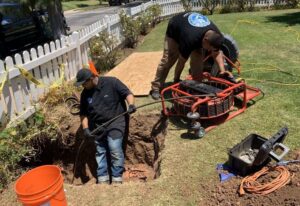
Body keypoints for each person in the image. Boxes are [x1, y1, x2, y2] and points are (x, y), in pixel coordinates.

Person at [150, 12, 233, 100]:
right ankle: (156, 88)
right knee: (169, 58)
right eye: (209, 48)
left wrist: (222, 71)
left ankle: (197, 85)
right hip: (175, 27)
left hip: (192, 31)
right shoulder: (190, 39)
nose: (209, 51)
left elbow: (217, 53)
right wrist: (176, 80)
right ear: (205, 40)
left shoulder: (217, 35)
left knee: (198, 58)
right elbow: (181, 63)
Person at [74, 68, 136, 184]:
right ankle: (103, 178)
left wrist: (131, 104)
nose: (83, 86)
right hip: (97, 125)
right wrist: (85, 128)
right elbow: (83, 114)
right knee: (100, 151)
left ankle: (117, 178)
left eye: (84, 83)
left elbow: (127, 93)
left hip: (116, 121)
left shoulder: (112, 82)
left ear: (91, 78)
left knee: (114, 147)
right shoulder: (85, 94)